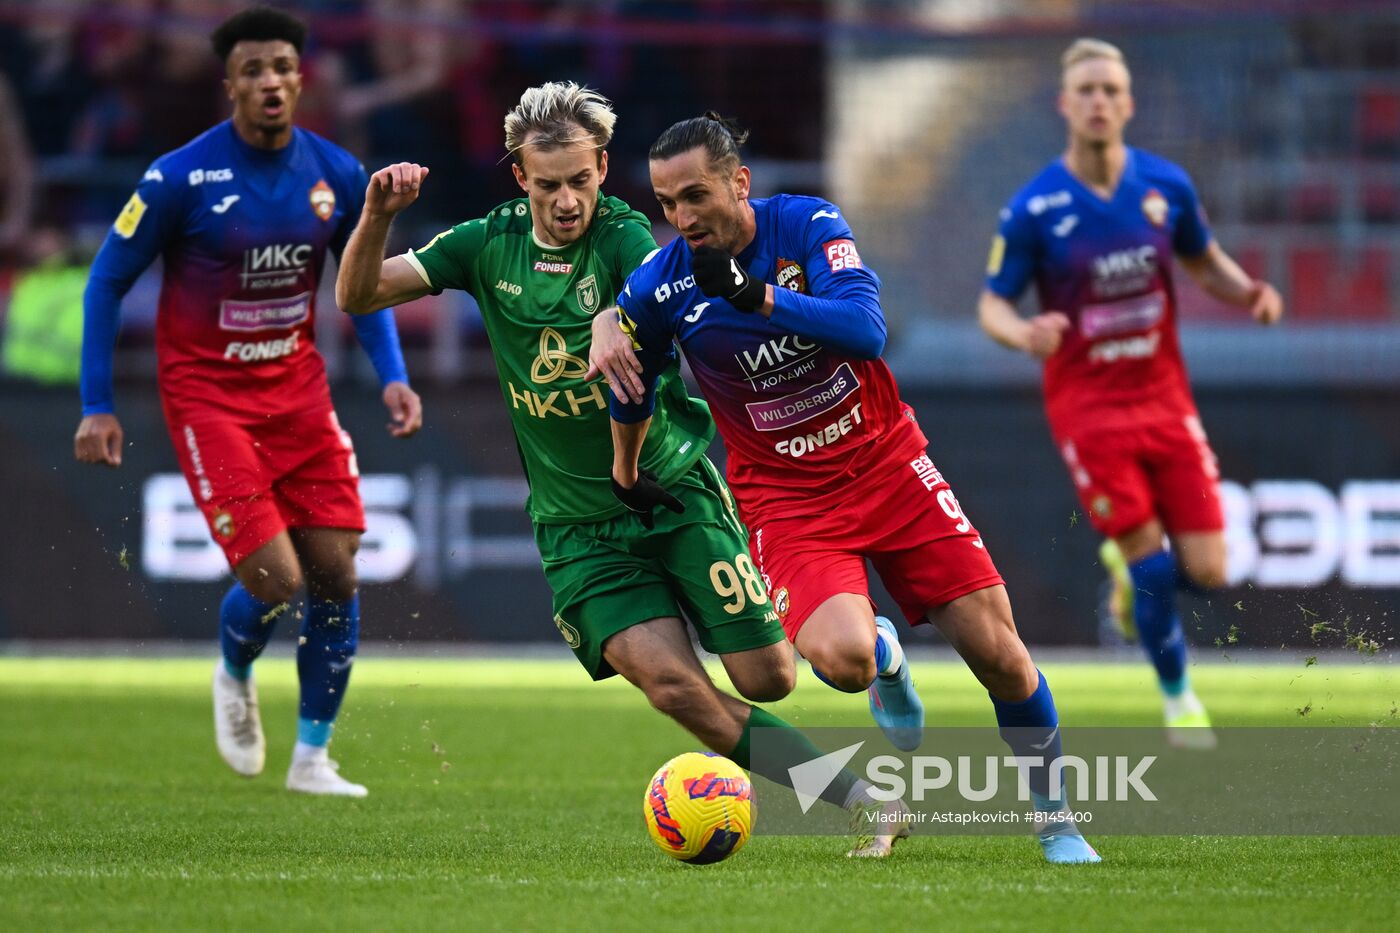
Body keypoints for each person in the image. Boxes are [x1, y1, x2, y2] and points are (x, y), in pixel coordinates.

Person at [336, 81, 906, 858]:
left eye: (580, 180)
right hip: (578, 527)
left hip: (669, 485)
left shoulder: (627, 233)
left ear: (603, 167)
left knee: (769, 677)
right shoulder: (484, 244)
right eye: (548, 185)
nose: (566, 200)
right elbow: (358, 292)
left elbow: (662, 281)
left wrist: (612, 316)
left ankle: (867, 638)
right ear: (519, 179)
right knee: (676, 689)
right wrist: (378, 215)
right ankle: (863, 799)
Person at [590, 113, 1099, 864]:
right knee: (843, 661)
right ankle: (886, 656)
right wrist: (625, 466)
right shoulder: (661, 285)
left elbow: (867, 329)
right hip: (788, 500)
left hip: (889, 466)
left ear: (739, 182)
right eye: (667, 202)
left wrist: (756, 297)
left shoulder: (807, 224)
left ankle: (1058, 822)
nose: (682, 216)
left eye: (696, 195)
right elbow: (629, 380)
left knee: (1001, 656)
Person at [74, 7, 423, 797]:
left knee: (336, 573)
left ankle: (312, 758)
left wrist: (394, 373)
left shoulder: (333, 173)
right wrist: (98, 402)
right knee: (277, 580)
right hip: (209, 401)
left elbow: (361, 288)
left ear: (301, 78)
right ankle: (233, 668)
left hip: (298, 394)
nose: (270, 82)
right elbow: (106, 280)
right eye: (253, 70)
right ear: (229, 82)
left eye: (282, 68)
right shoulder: (178, 178)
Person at [977, 38, 1284, 748]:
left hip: (1167, 400)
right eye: (1085, 89)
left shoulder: (1164, 186)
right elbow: (992, 305)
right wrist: (1024, 334)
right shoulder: (1034, 208)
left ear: (1129, 103)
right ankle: (1179, 697)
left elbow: (1204, 262)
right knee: (1150, 562)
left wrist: (1251, 292)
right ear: (1064, 104)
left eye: (1111, 89)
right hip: (1091, 411)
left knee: (1209, 569)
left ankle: (1131, 580)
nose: (1098, 101)